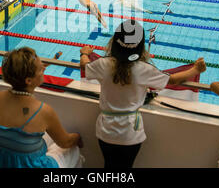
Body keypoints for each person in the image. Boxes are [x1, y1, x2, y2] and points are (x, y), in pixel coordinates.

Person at [80, 19, 206, 168]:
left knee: (109, 166)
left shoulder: (103, 64)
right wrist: (195, 70)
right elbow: (172, 80)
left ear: (114, 42)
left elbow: (85, 65)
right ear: (140, 47)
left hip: (105, 131)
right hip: (131, 134)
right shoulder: (144, 70)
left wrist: (84, 53)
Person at [0, 47, 84, 168]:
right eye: (40, 69)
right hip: (25, 165)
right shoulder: (43, 111)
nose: (44, 68)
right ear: (28, 80)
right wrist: (77, 137)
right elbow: (65, 142)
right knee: (73, 150)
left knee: (46, 136)